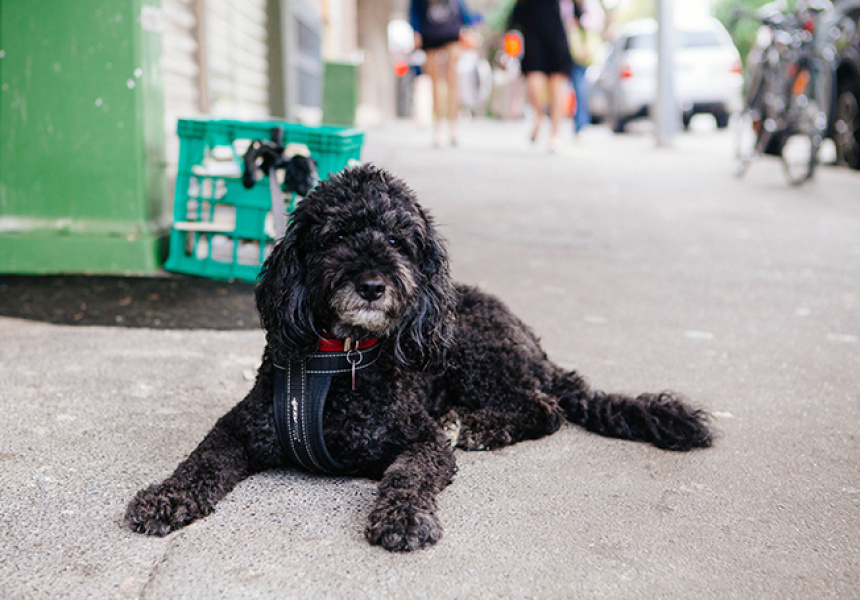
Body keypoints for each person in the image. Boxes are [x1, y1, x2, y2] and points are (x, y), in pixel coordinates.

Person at [411, 0, 478, 147]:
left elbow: (460, 5)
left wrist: (468, 26)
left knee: (452, 81)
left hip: (451, 32)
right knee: (434, 82)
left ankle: (453, 126)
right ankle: (438, 126)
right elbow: (415, 7)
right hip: (429, 34)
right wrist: (415, 30)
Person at [509, 0, 573, 151]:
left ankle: (554, 134)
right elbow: (514, 19)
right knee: (533, 84)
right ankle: (539, 118)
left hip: (556, 36)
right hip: (533, 39)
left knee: (557, 88)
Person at [567, 0, 604, 135]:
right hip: (567, 49)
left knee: (579, 86)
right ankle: (578, 122)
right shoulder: (568, 4)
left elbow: (596, 24)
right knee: (573, 87)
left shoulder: (589, 5)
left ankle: (580, 123)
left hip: (581, 50)